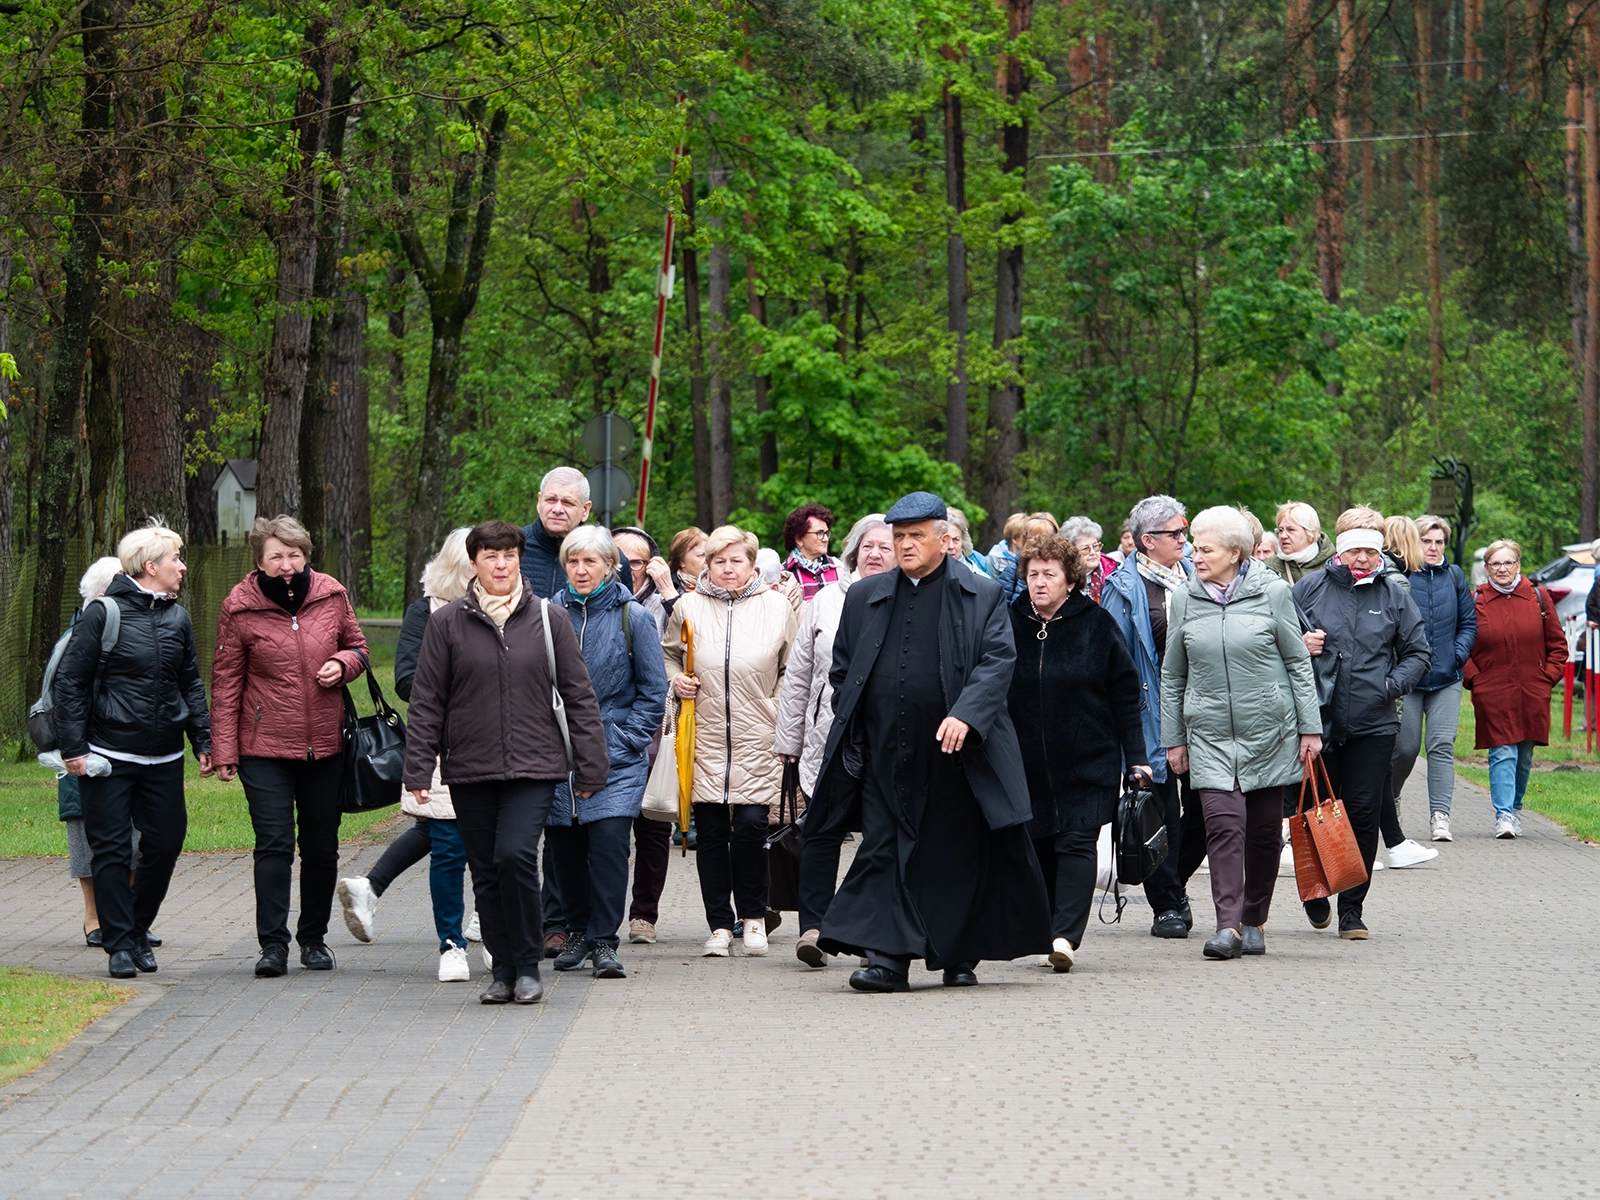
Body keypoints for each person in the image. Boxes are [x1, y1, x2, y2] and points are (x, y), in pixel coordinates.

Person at [806, 492, 1050, 992]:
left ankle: (958, 953)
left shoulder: (981, 593)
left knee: (953, 855)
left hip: (956, 756)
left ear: (944, 538)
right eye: (898, 537)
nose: (905, 545)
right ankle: (887, 960)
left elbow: (997, 662)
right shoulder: (863, 595)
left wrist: (966, 714)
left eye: (916, 535)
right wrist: (857, 713)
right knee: (883, 849)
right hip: (883, 752)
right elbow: (843, 667)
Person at [404, 520, 609, 1005]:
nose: (501, 564)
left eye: (510, 555)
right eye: (491, 556)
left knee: (515, 856)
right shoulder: (447, 622)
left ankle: (525, 964)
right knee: (486, 868)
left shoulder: (547, 618)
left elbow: (579, 696)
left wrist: (591, 766)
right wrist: (417, 769)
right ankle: (501, 971)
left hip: (534, 766)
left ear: (520, 560)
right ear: (473, 563)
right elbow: (428, 700)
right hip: (469, 766)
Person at [1160, 507, 1322, 960]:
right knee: (1223, 827)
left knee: (1265, 833)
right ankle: (1227, 926)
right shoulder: (1184, 598)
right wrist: (1173, 738)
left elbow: (1297, 663)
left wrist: (1310, 728)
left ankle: (1255, 918)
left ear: (1236, 553)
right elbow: (1172, 675)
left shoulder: (1273, 592)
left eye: (1205, 548)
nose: (1195, 555)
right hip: (1208, 734)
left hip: (1269, 731)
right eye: (1194, 546)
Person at [54, 520, 212, 979]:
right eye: (175, 559)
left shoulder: (178, 617)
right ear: (150, 566)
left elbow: (191, 683)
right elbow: (71, 684)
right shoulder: (102, 614)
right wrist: (74, 749)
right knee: (111, 851)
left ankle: (137, 928)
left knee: (164, 844)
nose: (182, 567)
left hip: (163, 756)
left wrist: (202, 738)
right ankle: (120, 945)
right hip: (107, 757)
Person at [211, 516, 368, 978]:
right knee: (274, 843)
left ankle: (313, 939)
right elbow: (225, 683)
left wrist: (342, 664)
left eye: (294, 554)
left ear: (306, 555)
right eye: (276, 556)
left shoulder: (331, 594)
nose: (287, 564)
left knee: (320, 845)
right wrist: (224, 750)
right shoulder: (238, 607)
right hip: (263, 746)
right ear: (259, 561)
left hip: (325, 743)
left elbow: (358, 648)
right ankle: (272, 946)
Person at [336, 528, 475, 982]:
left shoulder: (508, 611)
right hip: (442, 742)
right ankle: (456, 940)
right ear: (462, 566)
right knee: (451, 838)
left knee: (445, 830)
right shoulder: (427, 612)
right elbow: (406, 680)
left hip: (496, 744)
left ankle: (370, 886)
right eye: (481, 559)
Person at [1007, 534, 1146, 973]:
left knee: (1077, 842)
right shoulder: (1009, 623)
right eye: (1033, 574)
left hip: (1089, 758)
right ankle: (1050, 927)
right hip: (1026, 762)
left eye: (1050, 574)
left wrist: (1137, 756)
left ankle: (1066, 936)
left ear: (1070, 580)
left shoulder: (1097, 624)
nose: (1040, 583)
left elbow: (1126, 696)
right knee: (1041, 845)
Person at [1293, 507, 1430, 938]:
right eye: (1354, 550)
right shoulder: (1309, 589)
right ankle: (1315, 892)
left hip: (1373, 723)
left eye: (1370, 551)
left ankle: (1352, 910)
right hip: (1319, 720)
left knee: (1363, 814)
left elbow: (1419, 652)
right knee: (1316, 812)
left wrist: (1390, 686)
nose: (1363, 559)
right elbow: (1275, 644)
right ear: (1340, 550)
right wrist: (1301, 645)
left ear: (1379, 552)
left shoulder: (1393, 594)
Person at [665, 525, 798, 957]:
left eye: (735, 560)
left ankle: (755, 917)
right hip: (702, 736)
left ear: (752, 564)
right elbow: (668, 655)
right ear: (706, 564)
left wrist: (777, 710)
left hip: (757, 734)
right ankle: (719, 925)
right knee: (711, 832)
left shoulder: (777, 607)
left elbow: (792, 669)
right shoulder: (687, 605)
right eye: (718, 560)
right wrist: (676, 682)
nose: (727, 568)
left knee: (751, 827)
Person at [545, 526, 669, 980]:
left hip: (616, 758)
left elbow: (653, 693)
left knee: (611, 845)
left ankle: (604, 941)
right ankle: (576, 931)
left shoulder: (631, 615)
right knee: (566, 851)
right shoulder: (547, 613)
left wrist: (619, 743)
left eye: (590, 562)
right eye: (573, 561)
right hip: (557, 758)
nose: (580, 570)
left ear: (609, 567)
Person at [772, 513, 894, 967]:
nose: (876, 553)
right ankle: (813, 927)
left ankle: (870, 933)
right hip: (829, 736)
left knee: (880, 836)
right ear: (853, 552)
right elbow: (799, 674)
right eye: (868, 546)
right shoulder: (825, 599)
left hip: (887, 741)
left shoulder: (909, 596)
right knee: (820, 832)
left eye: (886, 546)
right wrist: (789, 740)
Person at [1101, 494, 1202, 939]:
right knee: (1160, 808)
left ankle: (1173, 882)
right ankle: (1168, 905)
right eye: (1175, 533)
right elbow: (1114, 661)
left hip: (1204, 711)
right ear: (1147, 541)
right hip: (1150, 711)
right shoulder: (1122, 588)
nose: (1185, 539)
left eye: (1185, 531)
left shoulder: (1200, 577)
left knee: (1206, 807)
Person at [1464, 539, 1566, 838]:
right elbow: (1462, 646)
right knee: (1502, 751)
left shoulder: (1538, 596)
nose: (1502, 569)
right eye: (1495, 564)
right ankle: (1504, 815)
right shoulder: (1475, 600)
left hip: (1532, 689)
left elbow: (1558, 646)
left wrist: (1546, 677)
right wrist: (1475, 679)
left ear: (1518, 565)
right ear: (1487, 568)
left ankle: (1516, 807)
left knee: (1524, 754)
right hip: (1492, 689)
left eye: (1508, 563)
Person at [607, 524, 676, 943]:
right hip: (606, 730)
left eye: (635, 561)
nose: (625, 568)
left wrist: (669, 590)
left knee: (653, 826)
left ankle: (644, 915)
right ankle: (599, 918)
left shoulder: (663, 602)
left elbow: (692, 637)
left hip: (654, 729)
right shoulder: (590, 604)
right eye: (617, 558)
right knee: (609, 830)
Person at [57, 557, 128, 948]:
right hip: (83, 749)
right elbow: (60, 693)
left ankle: (127, 915)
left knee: (133, 837)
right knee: (86, 833)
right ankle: (93, 917)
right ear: (102, 593)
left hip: (127, 749)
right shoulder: (79, 634)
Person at [1371, 516, 1440, 869]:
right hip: (1379, 688)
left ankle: (1393, 841)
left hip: (1375, 685)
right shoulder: (1398, 580)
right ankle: (1384, 844)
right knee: (1378, 765)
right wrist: (1394, 683)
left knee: (1380, 767)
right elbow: (1400, 642)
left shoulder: (1391, 574)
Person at [519, 466, 632, 599]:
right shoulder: (514, 548)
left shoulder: (608, 557)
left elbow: (625, 612)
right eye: (551, 500)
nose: (557, 509)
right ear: (539, 502)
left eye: (567, 503)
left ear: (585, 509)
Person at [612, 525, 677, 632]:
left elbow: (694, 636)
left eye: (636, 562)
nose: (628, 571)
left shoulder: (662, 606)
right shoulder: (594, 601)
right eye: (620, 562)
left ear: (650, 566)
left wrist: (668, 591)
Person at [781, 503, 844, 602]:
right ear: (799, 539)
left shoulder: (840, 569)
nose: (826, 539)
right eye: (819, 533)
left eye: (826, 533)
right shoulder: (783, 575)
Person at [1266, 501, 1334, 583]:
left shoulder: (1334, 565)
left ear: (1309, 532)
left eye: (1290, 530)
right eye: (1280, 530)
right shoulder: (1268, 567)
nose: (1283, 536)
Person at [1061, 516, 1118, 603]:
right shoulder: (1061, 576)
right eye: (1085, 549)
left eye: (1095, 546)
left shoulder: (1114, 575)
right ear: (1071, 552)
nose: (1092, 552)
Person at [944, 507, 992, 576]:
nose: (951, 546)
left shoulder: (978, 561)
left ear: (963, 541)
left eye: (955, 539)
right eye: (945, 540)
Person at [667, 527, 708, 597]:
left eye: (710, 555)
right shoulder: (666, 589)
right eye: (701, 555)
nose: (708, 560)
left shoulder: (720, 587)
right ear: (681, 561)